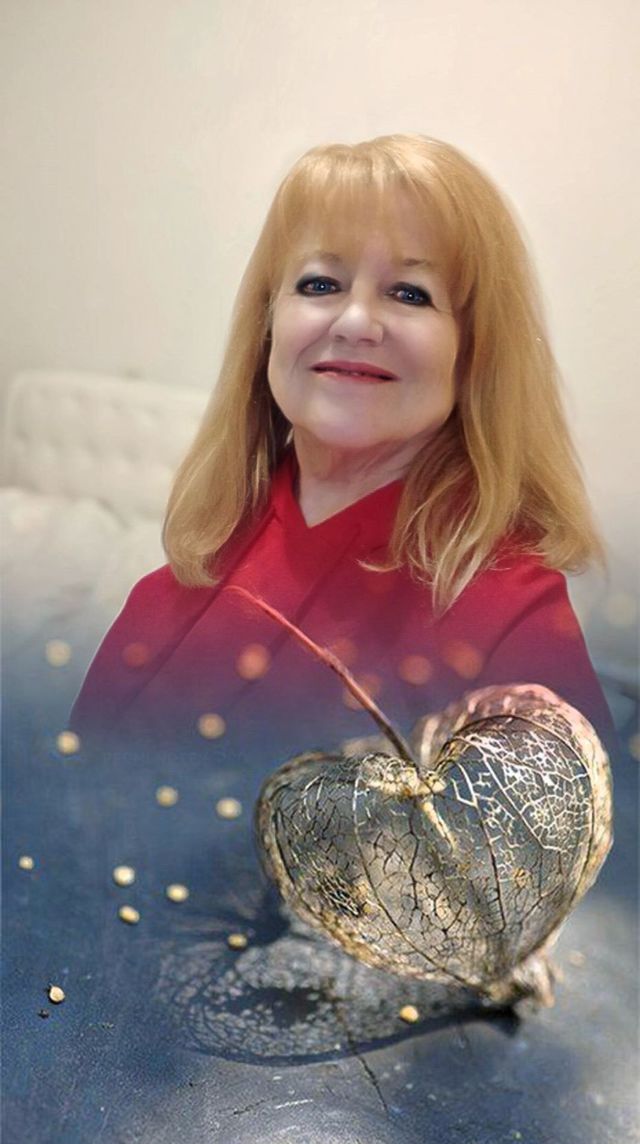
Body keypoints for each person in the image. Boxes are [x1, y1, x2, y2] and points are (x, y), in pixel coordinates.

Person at [71, 134, 613, 760]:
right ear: (267, 327)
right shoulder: (173, 584)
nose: (355, 322)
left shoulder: (513, 619)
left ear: (474, 356)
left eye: (410, 293)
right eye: (320, 284)